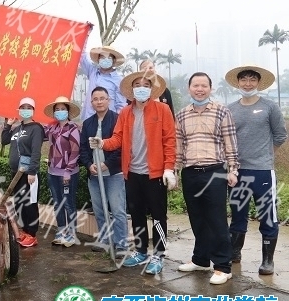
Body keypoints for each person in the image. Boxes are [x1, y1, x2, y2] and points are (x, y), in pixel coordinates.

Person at [90, 70, 176, 275]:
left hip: (155, 174)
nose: (141, 88)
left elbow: (170, 140)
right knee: (137, 214)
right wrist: (102, 143)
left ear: (151, 89)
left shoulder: (162, 109)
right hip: (132, 173)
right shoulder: (126, 113)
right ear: (132, 89)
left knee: (158, 216)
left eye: (146, 85)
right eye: (138, 85)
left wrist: (169, 168)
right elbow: (117, 139)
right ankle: (141, 251)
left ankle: (159, 254)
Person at [176, 72, 239, 285]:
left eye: (204, 85)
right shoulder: (182, 114)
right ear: (189, 88)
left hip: (215, 172)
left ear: (210, 88)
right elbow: (179, 147)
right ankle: (200, 259)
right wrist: (175, 172)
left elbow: (230, 143)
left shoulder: (222, 111)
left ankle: (223, 266)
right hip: (190, 172)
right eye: (196, 85)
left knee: (216, 219)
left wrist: (233, 170)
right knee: (197, 218)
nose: (200, 89)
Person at [225, 65, 287, 275]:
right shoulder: (230, 109)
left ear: (259, 83)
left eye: (252, 79)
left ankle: (267, 260)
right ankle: (235, 252)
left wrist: (265, 154)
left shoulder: (270, 107)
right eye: (244, 80)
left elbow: (280, 135)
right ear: (238, 83)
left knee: (267, 215)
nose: (248, 84)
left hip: (262, 171)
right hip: (238, 171)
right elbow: (226, 138)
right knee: (238, 214)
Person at [79, 87, 127, 256]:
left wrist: (107, 164)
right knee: (99, 210)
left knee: (118, 210)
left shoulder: (117, 119)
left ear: (109, 100)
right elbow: (83, 149)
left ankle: (121, 244)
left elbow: (121, 146)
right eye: (95, 99)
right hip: (94, 175)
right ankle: (105, 240)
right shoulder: (88, 123)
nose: (99, 102)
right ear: (91, 102)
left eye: (102, 98)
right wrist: (89, 165)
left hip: (114, 174)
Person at [1, 97, 45, 248]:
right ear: (19, 110)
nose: (25, 110)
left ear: (33, 110)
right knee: (20, 202)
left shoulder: (36, 128)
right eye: (23, 107)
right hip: (16, 173)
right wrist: (8, 125)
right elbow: (4, 140)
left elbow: (36, 151)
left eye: (29, 108)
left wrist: (32, 171)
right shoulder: (18, 129)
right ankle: (25, 231)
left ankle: (32, 234)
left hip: (28, 173)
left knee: (29, 203)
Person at [43, 96, 81, 247]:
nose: (60, 112)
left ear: (68, 111)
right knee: (57, 203)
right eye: (57, 109)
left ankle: (72, 234)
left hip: (68, 173)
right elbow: (41, 132)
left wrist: (68, 170)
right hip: (53, 172)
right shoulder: (53, 128)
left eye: (63, 109)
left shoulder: (73, 128)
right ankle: (61, 230)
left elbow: (75, 151)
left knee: (68, 203)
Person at [79, 46, 127, 121]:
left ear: (114, 60)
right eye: (103, 57)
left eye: (109, 58)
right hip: (89, 118)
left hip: (109, 121)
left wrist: (118, 122)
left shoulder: (118, 80)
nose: (106, 60)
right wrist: (84, 39)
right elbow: (81, 56)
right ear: (98, 60)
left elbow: (121, 104)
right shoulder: (92, 72)